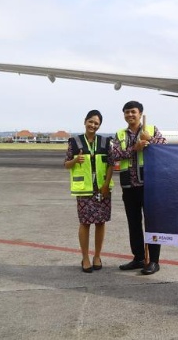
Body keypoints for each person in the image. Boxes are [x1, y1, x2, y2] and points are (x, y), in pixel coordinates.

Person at [109, 101, 167, 275]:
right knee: (133, 224)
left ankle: (154, 261)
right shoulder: (120, 134)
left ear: (140, 113)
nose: (130, 115)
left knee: (152, 224)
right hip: (129, 186)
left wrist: (149, 139)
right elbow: (114, 155)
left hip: (149, 186)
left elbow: (164, 147)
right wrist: (136, 148)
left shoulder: (151, 129)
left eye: (133, 112)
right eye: (127, 112)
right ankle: (139, 258)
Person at [64, 110, 113, 273]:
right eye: (91, 121)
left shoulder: (106, 142)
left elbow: (111, 164)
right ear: (85, 121)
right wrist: (75, 160)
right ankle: (85, 257)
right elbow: (66, 164)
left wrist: (106, 185)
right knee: (85, 223)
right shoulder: (75, 142)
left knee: (100, 222)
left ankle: (97, 256)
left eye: (96, 123)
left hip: (102, 188)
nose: (93, 125)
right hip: (84, 189)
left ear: (99, 126)